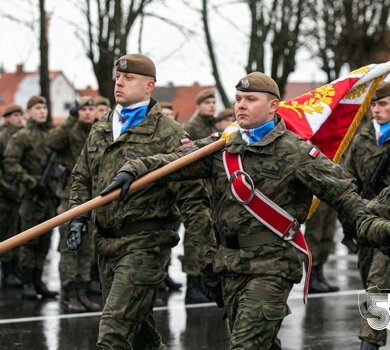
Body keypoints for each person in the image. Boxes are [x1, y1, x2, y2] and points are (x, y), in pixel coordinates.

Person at [107, 72, 372, 349]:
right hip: (230, 266)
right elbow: (175, 161)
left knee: (245, 345)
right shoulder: (225, 147)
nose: (241, 105)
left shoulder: (296, 153)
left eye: (250, 99)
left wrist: (374, 228)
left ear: (273, 106)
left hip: (271, 267)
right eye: (238, 99)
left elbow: (345, 195)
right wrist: (133, 169)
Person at [68, 53, 212, 349]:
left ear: (149, 87)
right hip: (106, 245)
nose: (119, 83)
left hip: (145, 245)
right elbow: (82, 176)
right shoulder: (102, 126)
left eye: (128, 78)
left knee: (113, 334)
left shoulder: (168, 132)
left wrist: (206, 261)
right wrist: (77, 216)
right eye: (118, 77)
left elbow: (193, 201)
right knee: (141, 336)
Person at [342, 81, 390, 350]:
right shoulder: (362, 137)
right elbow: (348, 179)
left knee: (378, 288)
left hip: (387, 224)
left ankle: (370, 342)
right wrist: (348, 222)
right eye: (374, 104)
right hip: (366, 223)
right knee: (371, 282)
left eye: (383, 104)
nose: (376, 109)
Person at [47, 97, 100, 312]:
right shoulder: (70, 130)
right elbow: (53, 142)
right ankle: (68, 292)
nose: (87, 113)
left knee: (87, 249)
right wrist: (70, 120)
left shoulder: (100, 130)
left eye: (91, 109)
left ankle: (81, 290)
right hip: (70, 196)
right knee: (70, 247)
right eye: (84, 109)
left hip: (93, 196)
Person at [3, 96, 59, 299]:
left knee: (45, 240)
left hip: (49, 195)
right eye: (37, 108)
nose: (42, 111)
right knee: (29, 240)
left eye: (44, 107)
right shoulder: (22, 136)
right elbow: (10, 163)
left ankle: (38, 280)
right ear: (30, 112)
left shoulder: (53, 135)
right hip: (30, 197)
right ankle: (27, 280)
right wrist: (31, 182)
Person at [0, 104, 25, 288]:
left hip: (18, 192)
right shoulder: (2, 138)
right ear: (7, 118)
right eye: (15, 115)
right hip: (5, 192)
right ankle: (7, 271)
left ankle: (14, 269)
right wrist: (6, 188)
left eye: (20, 115)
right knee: (6, 232)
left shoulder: (21, 136)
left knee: (16, 230)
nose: (19, 118)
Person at [304, 201, 339, 293]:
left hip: (331, 194)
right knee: (314, 234)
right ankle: (311, 278)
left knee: (328, 234)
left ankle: (319, 275)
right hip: (316, 196)